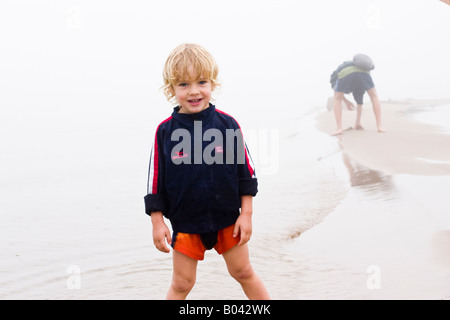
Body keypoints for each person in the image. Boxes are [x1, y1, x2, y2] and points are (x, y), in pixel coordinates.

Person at [144, 43, 270, 300]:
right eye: (183, 85)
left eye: (201, 82)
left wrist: (246, 214)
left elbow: (246, 174)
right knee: (181, 284)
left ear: (213, 84)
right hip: (186, 222)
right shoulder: (164, 131)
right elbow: (154, 183)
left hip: (228, 220)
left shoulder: (227, 124)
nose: (194, 91)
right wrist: (158, 223)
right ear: (171, 89)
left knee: (243, 272)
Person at [330, 56, 385, 135]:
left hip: (345, 71)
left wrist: (346, 101)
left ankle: (339, 128)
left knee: (337, 99)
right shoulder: (358, 84)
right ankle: (379, 126)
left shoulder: (334, 77)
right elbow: (359, 103)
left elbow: (337, 96)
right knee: (374, 96)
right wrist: (347, 102)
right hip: (364, 72)